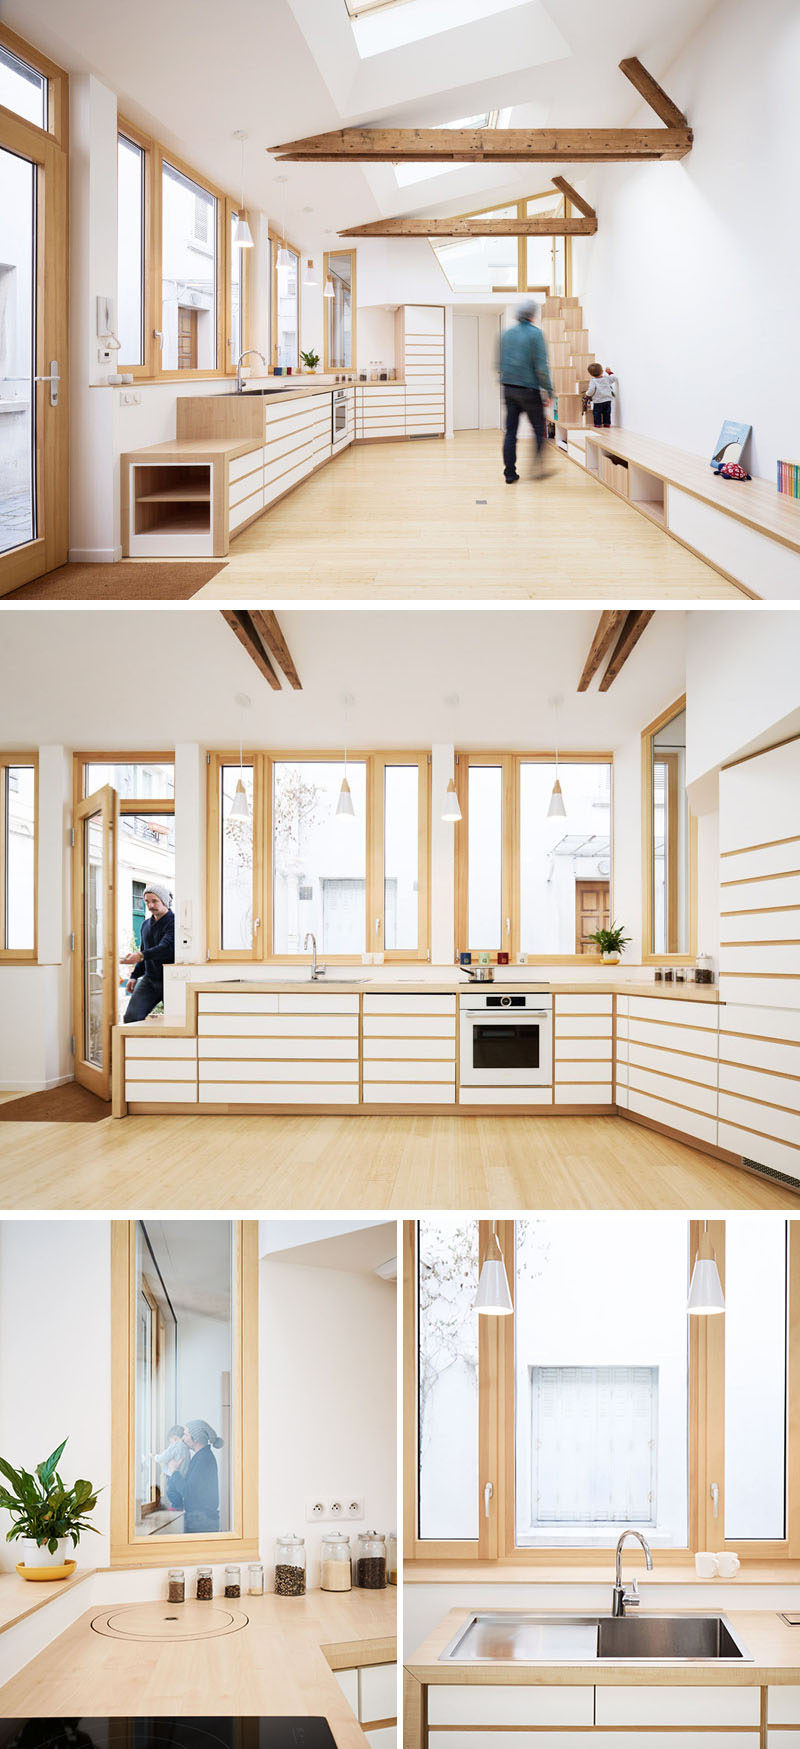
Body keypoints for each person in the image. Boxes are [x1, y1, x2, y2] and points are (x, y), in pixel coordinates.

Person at [497, 301, 553, 484]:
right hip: (529, 389)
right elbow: (541, 367)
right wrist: (549, 390)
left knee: (510, 432)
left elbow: (498, 364)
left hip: (509, 388)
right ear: (532, 315)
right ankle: (537, 470)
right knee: (539, 430)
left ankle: (510, 474)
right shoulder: (535, 333)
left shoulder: (506, 334)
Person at [121, 883, 175, 1022]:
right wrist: (134, 976)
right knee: (131, 1018)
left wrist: (140, 956)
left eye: (154, 901)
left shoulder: (175, 922)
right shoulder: (145, 925)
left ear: (164, 901)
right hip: (150, 980)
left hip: (171, 981)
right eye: (147, 902)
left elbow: (166, 947)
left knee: (177, 1021)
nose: (150, 905)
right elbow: (143, 952)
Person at [166, 1420, 224, 1533]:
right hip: (201, 1520)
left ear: (195, 1438)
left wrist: (174, 1472)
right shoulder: (201, 1457)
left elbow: (188, 1492)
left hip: (201, 1523)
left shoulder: (203, 1460)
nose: (183, 1438)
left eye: (186, 1434)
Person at [583, 362, 618, 427]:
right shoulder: (606, 378)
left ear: (591, 374)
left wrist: (587, 394)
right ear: (602, 371)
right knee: (607, 413)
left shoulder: (593, 381)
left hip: (598, 401)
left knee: (597, 413)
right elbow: (614, 378)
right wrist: (609, 372)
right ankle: (607, 423)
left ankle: (597, 424)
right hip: (607, 400)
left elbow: (591, 390)